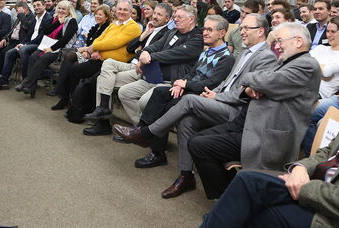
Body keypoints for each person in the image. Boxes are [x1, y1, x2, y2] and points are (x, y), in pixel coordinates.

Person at [114, 14, 277, 198]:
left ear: (261, 31)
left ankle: (146, 133)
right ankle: (186, 176)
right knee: (186, 121)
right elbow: (226, 83)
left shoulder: (264, 57)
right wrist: (194, 86)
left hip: (235, 110)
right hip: (218, 98)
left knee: (188, 100)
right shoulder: (245, 53)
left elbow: (245, 92)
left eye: (246, 28)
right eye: (242, 28)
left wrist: (216, 95)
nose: (242, 32)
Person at [188, 22, 320, 200]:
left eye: (280, 41)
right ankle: (230, 194)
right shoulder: (287, 61)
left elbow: (263, 80)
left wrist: (250, 81)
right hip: (248, 122)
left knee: (199, 145)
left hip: (266, 134)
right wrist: (250, 87)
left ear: (298, 41)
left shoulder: (306, 65)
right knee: (195, 139)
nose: (276, 46)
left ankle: (226, 198)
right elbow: (261, 81)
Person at [132, 15, 235, 168]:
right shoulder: (206, 52)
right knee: (159, 92)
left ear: (222, 33)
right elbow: (192, 73)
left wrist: (185, 84)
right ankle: (141, 131)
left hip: (202, 95)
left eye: (209, 30)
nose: (204, 33)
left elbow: (211, 84)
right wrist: (180, 84)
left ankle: (154, 149)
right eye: (204, 29)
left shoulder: (227, 58)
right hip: (189, 88)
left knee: (168, 106)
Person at [199, 129, 339, 228]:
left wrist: (306, 187)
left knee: (258, 212)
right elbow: (329, 151)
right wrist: (300, 167)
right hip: (316, 185)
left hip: (331, 212)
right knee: (246, 181)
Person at [82, 3, 171, 135]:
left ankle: (140, 129)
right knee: (103, 75)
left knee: (103, 75)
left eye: (160, 15)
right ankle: (103, 119)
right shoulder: (149, 28)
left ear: (167, 19)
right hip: (132, 65)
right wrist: (144, 34)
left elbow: (150, 55)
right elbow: (130, 48)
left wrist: (139, 52)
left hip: (145, 70)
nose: (155, 17)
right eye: (155, 13)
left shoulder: (167, 34)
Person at [117, 5, 204, 126]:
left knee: (144, 102)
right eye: (175, 17)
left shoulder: (197, 38)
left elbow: (173, 54)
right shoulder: (172, 32)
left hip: (171, 81)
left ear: (191, 19)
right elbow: (156, 45)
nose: (175, 19)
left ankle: (147, 130)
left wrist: (149, 57)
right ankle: (141, 128)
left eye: (179, 17)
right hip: (154, 76)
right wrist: (145, 52)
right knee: (124, 92)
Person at [50, 5, 112, 110]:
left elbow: (101, 46)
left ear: (106, 17)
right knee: (68, 57)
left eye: (100, 15)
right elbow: (89, 43)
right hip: (87, 53)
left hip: (96, 57)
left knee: (73, 66)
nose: (97, 16)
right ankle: (63, 96)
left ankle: (68, 98)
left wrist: (87, 51)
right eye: (96, 14)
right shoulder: (96, 27)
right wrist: (86, 50)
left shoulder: (107, 28)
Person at [15, 0, 78, 96]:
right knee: (33, 56)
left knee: (43, 58)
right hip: (47, 45)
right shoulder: (55, 18)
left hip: (61, 49)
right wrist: (58, 22)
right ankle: (31, 88)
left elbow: (65, 40)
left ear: (69, 11)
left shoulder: (72, 21)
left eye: (64, 9)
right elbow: (46, 31)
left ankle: (26, 83)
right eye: (59, 8)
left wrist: (51, 48)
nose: (61, 11)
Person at [0, 1, 36, 90]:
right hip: (11, 41)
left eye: (18, 10)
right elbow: (11, 30)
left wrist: (21, 16)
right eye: (16, 11)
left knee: (4, 53)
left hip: (20, 42)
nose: (17, 13)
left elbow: (27, 28)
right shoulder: (19, 17)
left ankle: (0, 79)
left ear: (25, 9)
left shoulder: (32, 18)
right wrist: (5, 38)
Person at [310, 16, 339, 99]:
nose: (328, 35)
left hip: (319, 94)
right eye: (327, 31)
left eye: (333, 32)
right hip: (303, 86)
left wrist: (312, 66)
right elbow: (302, 62)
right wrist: (321, 74)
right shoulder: (320, 48)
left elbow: (326, 72)